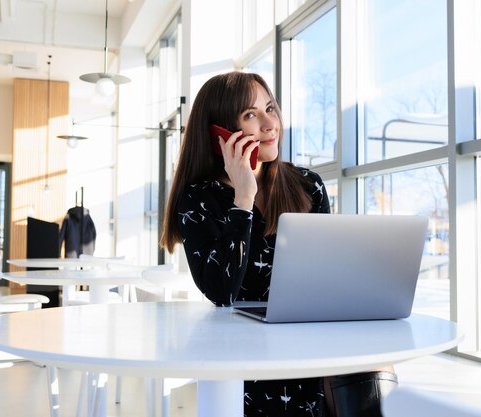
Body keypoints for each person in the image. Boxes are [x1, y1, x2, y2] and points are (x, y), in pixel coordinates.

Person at [160, 71, 397, 417]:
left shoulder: (307, 185)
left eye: (270, 108)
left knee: (374, 367)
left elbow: (326, 274)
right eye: (251, 115)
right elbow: (222, 291)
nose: (270, 124)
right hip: (246, 356)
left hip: (312, 341)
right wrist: (243, 197)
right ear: (219, 134)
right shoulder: (199, 200)